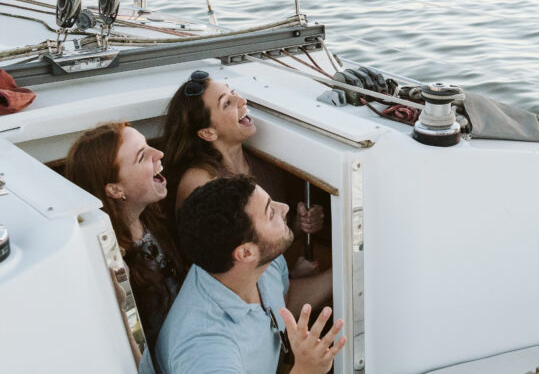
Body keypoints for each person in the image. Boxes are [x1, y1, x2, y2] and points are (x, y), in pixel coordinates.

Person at [155, 176, 344, 374]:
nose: (284, 208)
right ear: (245, 253)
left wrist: (344, 273)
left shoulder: (255, 260)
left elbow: (283, 300)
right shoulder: (205, 350)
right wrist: (307, 370)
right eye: (271, 212)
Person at [66, 123, 186, 354]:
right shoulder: (110, 263)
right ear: (115, 189)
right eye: (142, 156)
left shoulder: (156, 217)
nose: (158, 154)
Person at [161, 70, 324, 237]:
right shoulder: (202, 182)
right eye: (226, 103)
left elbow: (271, 238)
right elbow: (217, 257)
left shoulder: (264, 162)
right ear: (208, 133)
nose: (242, 100)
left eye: (232, 92)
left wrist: (299, 224)